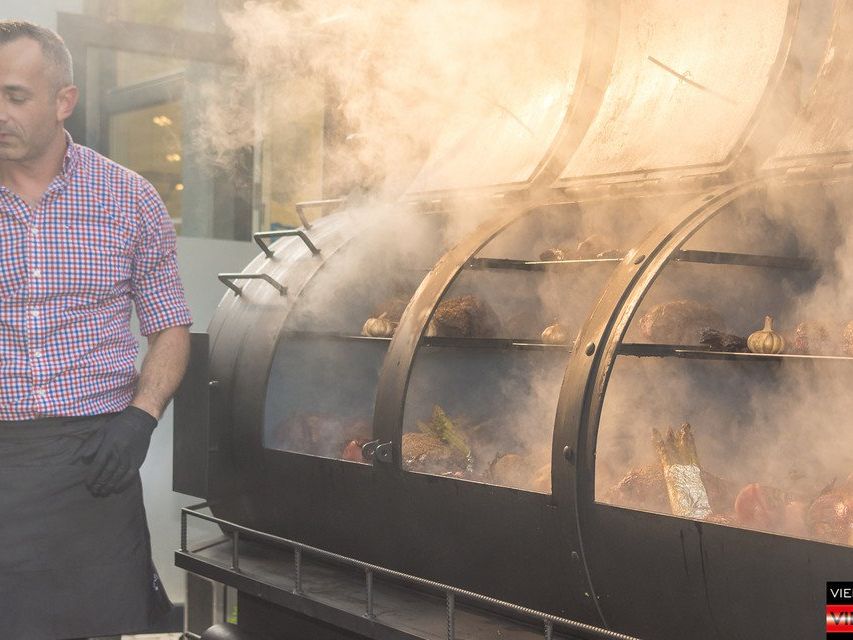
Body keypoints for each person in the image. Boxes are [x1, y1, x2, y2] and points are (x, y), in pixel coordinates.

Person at [0, 20, 192, 640]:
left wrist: (142, 416)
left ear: (64, 101)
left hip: (95, 463)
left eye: (16, 95)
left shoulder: (129, 199)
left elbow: (170, 327)